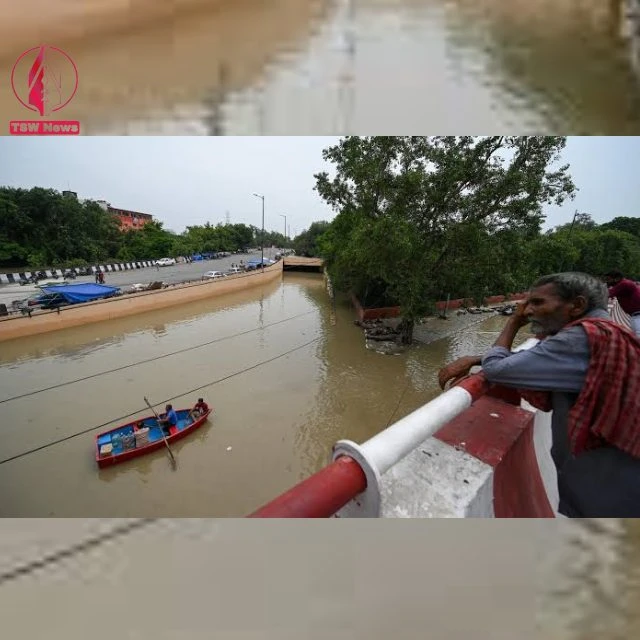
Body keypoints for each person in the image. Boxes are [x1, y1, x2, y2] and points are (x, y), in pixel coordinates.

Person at [438, 272, 640, 518]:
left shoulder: (579, 338)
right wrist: (478, 357)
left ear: (577, 305)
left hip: (607, 486)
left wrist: (512, 322)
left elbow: (497, 370)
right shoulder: (606, 332)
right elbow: (539, 360)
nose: (527, 310)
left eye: (537, 302)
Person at [604, 269, 640, 336]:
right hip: (635, 315)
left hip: (638, 316)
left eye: (609, 279)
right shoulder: (625, 284)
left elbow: (607, 294)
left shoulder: (624, 284)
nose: (607, 281)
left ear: (617, 278)